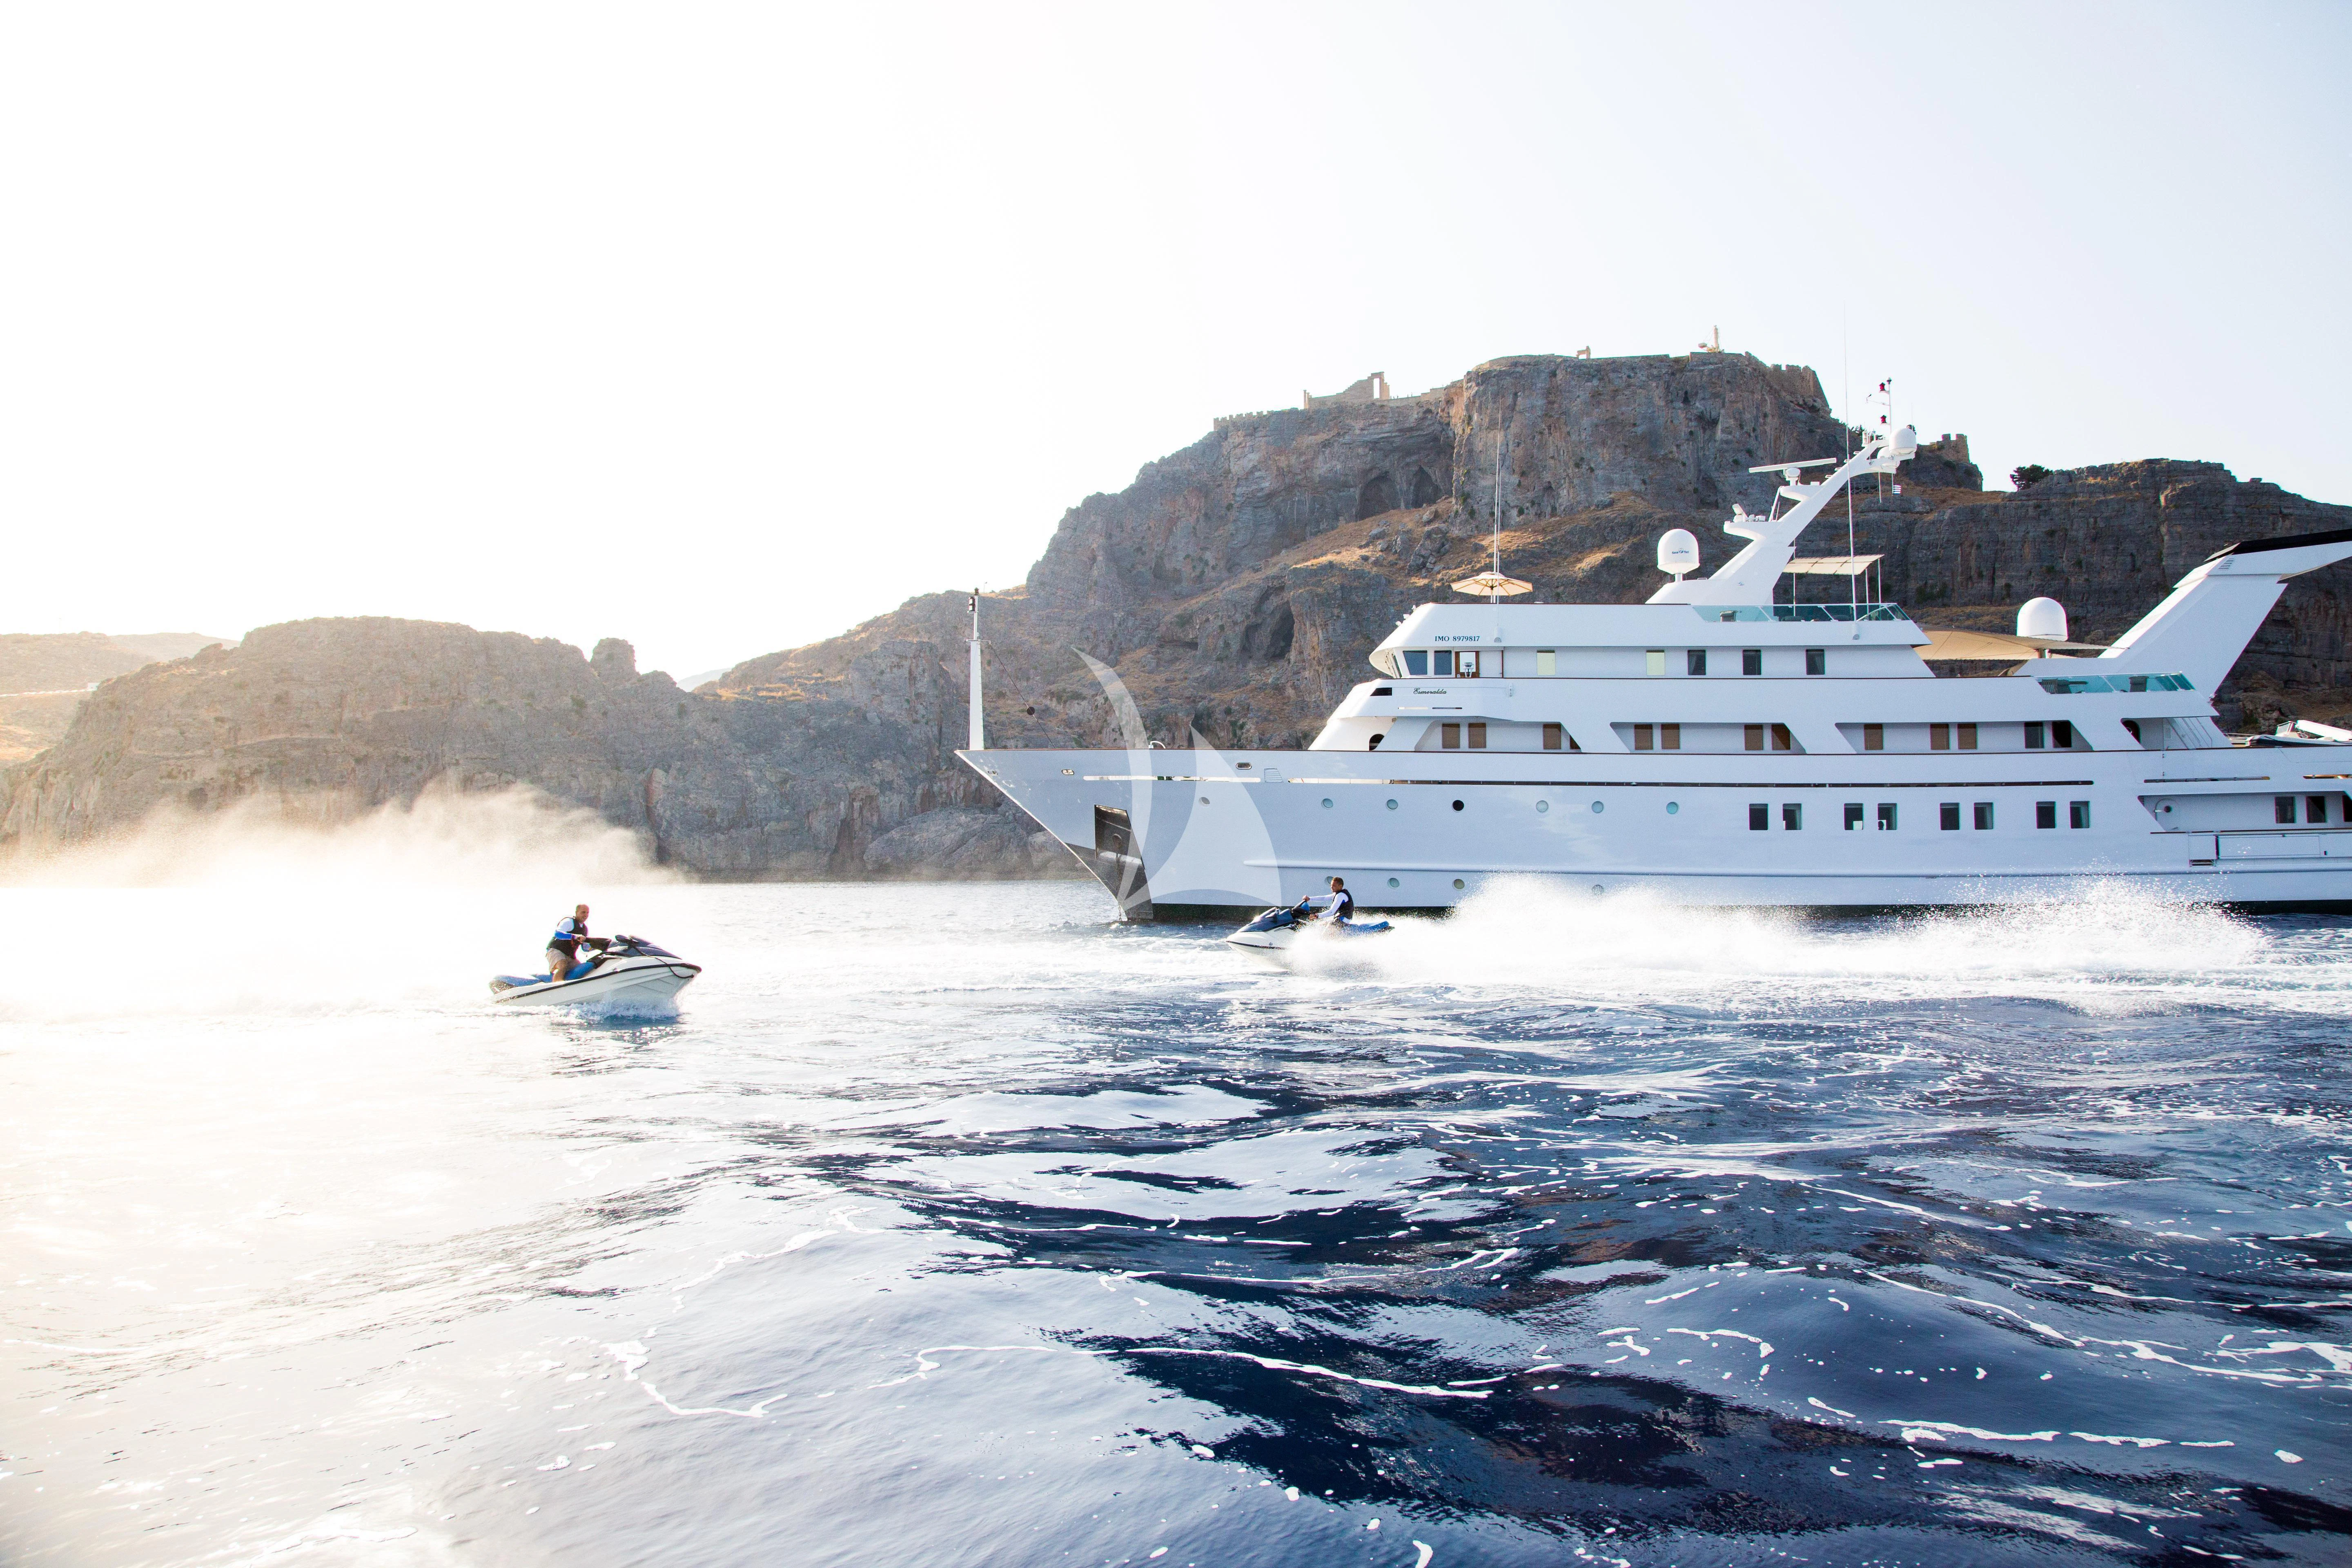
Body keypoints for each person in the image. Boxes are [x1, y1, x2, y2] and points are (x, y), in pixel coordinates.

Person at [546, 904, 592, 981]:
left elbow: (585, 948)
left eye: (588, 913)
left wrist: (598, 946)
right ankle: (558, 986)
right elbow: (558, 934)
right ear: (577, 912)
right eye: (583, 912)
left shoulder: (585, 929)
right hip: (556, 951)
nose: (586, 915)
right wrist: (575, 936)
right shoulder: (569, 921)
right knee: (563, 965)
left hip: (570, 957)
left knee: (583, 970)